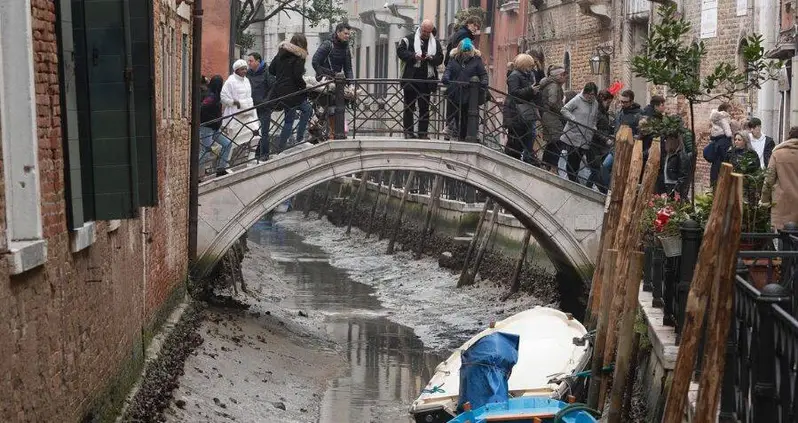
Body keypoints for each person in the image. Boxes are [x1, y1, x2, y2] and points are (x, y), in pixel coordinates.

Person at [267, 34, 312, 156]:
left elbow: (271, 70)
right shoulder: (299, 56)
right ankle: (298, 140)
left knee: (292, 117)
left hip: (280, 91)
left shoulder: (281, 52)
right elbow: (297, 76)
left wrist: (282, 75)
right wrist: (304, 87)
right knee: (305, 111)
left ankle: (281, 148)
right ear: (303, 45)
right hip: (292, 92)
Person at [397, 19, 443, 139]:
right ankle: (408, 132)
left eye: (429, 32)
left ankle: (423, 133)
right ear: (420, 28)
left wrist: (430, 58)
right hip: (410, 78)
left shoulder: (435, 43)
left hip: (426, 80)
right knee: (409, 106)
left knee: (424, 107)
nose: (426, 34)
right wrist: (414, 56)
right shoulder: (408, 39)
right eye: (424, 31)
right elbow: (400, 52)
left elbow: (440, 59)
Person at [312, 23, 354, 137]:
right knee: (328, 106)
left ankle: (334, 132)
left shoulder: (345, 48)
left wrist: (351, 84)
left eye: (349, 34)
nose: (347, 36)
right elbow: (315, 61)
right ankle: (329, 132)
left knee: (336, 106)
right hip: (325, 81)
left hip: (338, 82)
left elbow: (348, 68)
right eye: (345, 33)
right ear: (338, 32)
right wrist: (323, 75)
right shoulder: (327, 44)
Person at [441, 38, 488, 141]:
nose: (466, 53)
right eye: (464, 51)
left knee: (469, 116)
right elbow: (448, 71)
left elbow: (483, 74)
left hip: (470, 94)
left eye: (468, 51)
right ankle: (451, 130)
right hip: (455, 93)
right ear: (459, 50)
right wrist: (446, 78)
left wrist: (483, 82)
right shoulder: (453, 59)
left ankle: (470, 135)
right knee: (453, 113)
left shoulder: (476, 60)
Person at [559, 82, 600, 184]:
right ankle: (573, 181)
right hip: (574, 134)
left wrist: (593, 126)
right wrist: (573, 119)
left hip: (586, 136)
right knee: (572, 159)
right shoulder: (577, 99)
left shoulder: (595, 103)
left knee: (578, 160)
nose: (590, 97)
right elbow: (564, 109)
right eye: (589, 94)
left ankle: (574, 180)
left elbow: (594, 118)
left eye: (593, 95)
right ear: (585, 92)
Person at [503, 53, 540, 163]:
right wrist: (530, 90)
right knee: (518, 137)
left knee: (530, 134)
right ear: (524, 65)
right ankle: (519, 158)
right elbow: (514, 93)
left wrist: (534, 91)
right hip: (516, 112)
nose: (532, 68)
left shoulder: (528, 75)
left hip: (526, 110)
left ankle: (529, 157)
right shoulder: (514, 76)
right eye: (530, 65)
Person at [761, 126, 798, 230]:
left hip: (782, 201)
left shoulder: (778, 153)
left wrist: (764, 201)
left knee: (783, 236)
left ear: (789, 137)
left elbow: (769, 179)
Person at [199, 75, 233, 176]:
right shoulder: (211, 96)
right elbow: (202, 107)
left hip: (214, 128)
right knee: (206, 151)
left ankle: (220, 169)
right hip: (207, 127)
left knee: (227, 144)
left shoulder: (215, 95)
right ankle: (195, 174)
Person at [220, 59, 259, 147]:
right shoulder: (230, 81)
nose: (245, 71)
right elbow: (223, 97)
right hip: (236, 115)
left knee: (256, 133)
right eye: (242, 69)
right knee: (234, 141)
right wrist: (235, 103)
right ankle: (229, 159)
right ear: (236, 70)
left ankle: (251, 157)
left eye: (245, 69)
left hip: (249, 113)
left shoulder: (247, 80)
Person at [538, 66, 567, 173]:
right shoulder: (554, 86)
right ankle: (552, 166)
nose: (565, 78)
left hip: (548, 115)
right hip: (551, 116)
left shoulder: (552, 84)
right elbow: (553, 102)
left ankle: (546, 164)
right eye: (564, 76)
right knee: (558, 140)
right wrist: (562, 110)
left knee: (552, 141)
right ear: (559, 76)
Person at [247, 52, 272, 156]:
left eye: (251, 61)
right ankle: (255, 154)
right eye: (248, 61)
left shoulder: (267, 72)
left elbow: (272, 87)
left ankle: (264, 154)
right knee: (253, 132)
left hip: (264, 107)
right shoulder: (248, 73)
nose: (249, 63)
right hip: (251, 107)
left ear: (258, 61)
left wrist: (266, 101)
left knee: (264, 132)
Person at [703, 102, 733, 186]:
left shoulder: (715, 119)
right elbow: (728, 131)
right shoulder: (724, 119)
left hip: (715, 168)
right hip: (722, 170)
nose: (730, 113)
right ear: (726, 110)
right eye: (729, 111)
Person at [591, 90, 614, 192]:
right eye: (608, 102)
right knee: (598, 168)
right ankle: (606, 190)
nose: (609, 105)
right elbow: (594, 128)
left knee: (599, 168)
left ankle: (603, 189)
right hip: (596, 143)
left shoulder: (604, 111)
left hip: (602, 144)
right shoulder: (597, 111)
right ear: (603, 100)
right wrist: (606, 139)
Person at [656, 133, 691, 199]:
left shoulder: (682, 156)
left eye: (668, 140)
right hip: (666, 185)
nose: (666, 142)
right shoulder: (666, 155)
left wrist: (677, 189)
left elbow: (684, 175)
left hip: (673, 186)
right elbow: (662, 171)